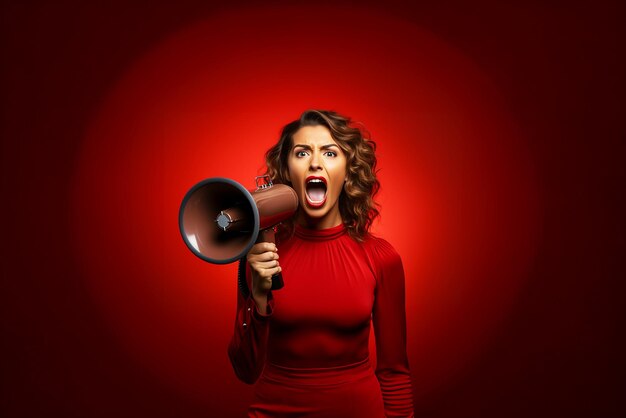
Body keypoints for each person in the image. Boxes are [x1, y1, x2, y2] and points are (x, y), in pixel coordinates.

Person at [228, 109, 414, 417]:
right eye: (302, 153)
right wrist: (258, 297)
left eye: (330, 152)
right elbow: (245, 370)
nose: (315, 162)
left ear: (348, 169)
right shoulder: (261, 253)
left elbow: (395, 372)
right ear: (286, 170)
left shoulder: (382, 258)